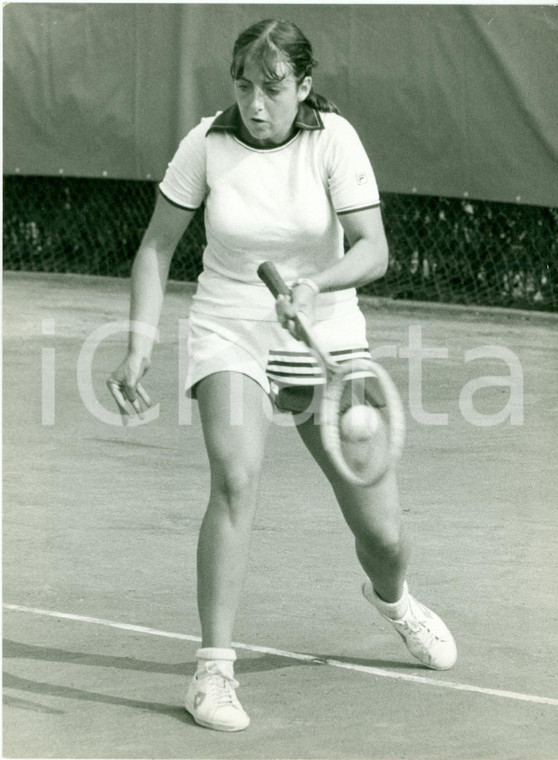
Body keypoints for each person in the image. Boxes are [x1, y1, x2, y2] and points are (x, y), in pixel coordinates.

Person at [108, 18, 457, 733]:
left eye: (273, 88)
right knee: (234, 478)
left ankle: (394, 600)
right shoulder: (206, 144)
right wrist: (140, 345)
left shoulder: (334, 139)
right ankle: (212, 669)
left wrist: (315, 288)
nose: (256, 104)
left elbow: (374, 250)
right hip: (230, 325)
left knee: (384, 531)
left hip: (323, 327)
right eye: (244, 86)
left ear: (303, 86)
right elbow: (156, 246)